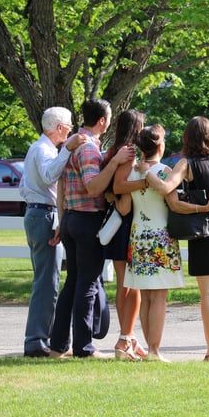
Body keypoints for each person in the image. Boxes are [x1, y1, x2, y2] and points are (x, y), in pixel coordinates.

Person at [48, 98, 136, 359]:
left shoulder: (72, 144)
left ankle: (58, 345)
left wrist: (62, 222)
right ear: (102, 120)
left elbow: (63, 188)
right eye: (109, 117)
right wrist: (115, 161)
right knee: (87, 285)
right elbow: (92, 187)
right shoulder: (87, 148)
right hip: (86, 220)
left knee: (73, 283)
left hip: (72, 219)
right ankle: (84, 348)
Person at [146, 116, 209, 362]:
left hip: (203, 231)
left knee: (208, 294)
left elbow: (166, 189)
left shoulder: (186, 164)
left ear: (188, 138)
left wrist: (148, 174)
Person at [19, 106, 86, 358]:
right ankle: (36, 341)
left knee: (47, 280)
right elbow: (48, 176)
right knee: (47, 283)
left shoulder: (39, 149)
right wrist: (68, 150)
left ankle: (39, 339)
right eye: (68, 126)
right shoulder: (43, 150)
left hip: (40, 213)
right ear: (59, 128)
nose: (70, 130)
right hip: (42, 214)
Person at [120, 124, 191, 362]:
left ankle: (151, 348)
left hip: (138, 235)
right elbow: (172, 202)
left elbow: (125, 207)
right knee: (159, 296)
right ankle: (154, 350)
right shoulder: (164, 172)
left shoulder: (133, 173)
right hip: (161, 237)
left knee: (146, 296)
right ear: (160, 146)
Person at [102, 109, 147, 361]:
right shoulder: (129, 152)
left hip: (117, 221)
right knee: (132, 284)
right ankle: (125, 338)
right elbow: (119, 186)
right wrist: (145, 182)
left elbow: (111, 188)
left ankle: (129, 337)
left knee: (124, 283)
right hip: (127, 222)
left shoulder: (113, 150)